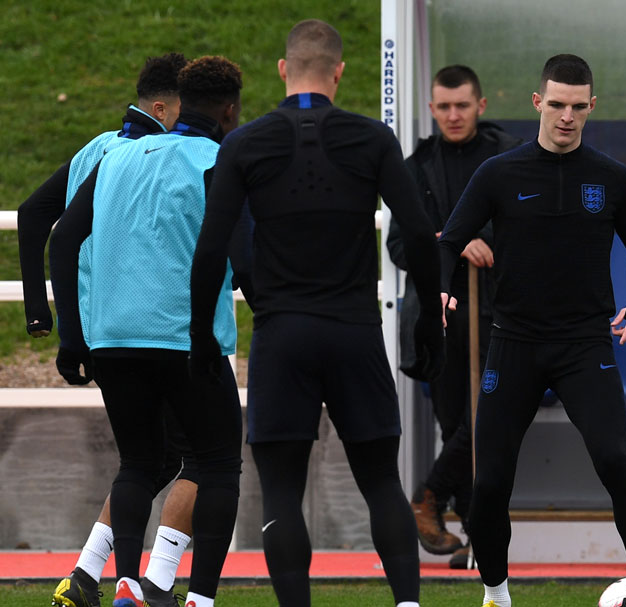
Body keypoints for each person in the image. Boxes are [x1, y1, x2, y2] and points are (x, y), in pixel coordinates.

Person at [187, 20, 444, 607]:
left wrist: (203, 338)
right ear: (340, 71)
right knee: (381, 481)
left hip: (282, 333)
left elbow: (212, 248)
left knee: (281, 490)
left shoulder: (244, 143)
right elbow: (420, 236)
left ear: (283, 69)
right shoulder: (371, 139)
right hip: (353, 328)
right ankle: (407, 603)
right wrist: (429, 317)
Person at [437, 53, 626, 607]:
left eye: (578, 107)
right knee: (489, 480)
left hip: (586, 343)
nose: (566, 116)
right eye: (556, 104)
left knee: (614, 459)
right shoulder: (499, 173)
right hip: (514, 342)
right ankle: (496, 594)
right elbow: (449, 237)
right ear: (538, 103)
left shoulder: (611, 178)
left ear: (591, 107)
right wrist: (442, 287)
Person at [50, 55, 247, 607]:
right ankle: (196, 596)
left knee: (138, 463)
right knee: (216, 463)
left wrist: (72, 333)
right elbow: (238, 250)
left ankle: (128, 584)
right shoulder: (219, 159)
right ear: (230, 109)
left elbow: (63, 238)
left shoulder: (118, 154)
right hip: (184, 341)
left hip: (112, 339)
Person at [17, 53, 202, 607]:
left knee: (148, 458)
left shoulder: (94, 148)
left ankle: (85, 575)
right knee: (197, 455)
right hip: (148, 326)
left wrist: (42, 313)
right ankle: (157, 582)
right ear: (162, 107)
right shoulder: (151, 155)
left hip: (97, 332)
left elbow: (32, 215)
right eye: (185, 113)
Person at [386, 64, 522, 566]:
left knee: (488, 416)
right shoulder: (415, 166)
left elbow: (533, 232)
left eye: (462, 105)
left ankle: (427, 497)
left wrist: (489, 243)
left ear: (480, 106)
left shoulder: (509, 156)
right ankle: (476, 539)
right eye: (443, 106)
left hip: (503, 310)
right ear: (431, 109)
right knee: (455, 426)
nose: (453, 115)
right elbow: (400, 244)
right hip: (439, 316)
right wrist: (453, 243)